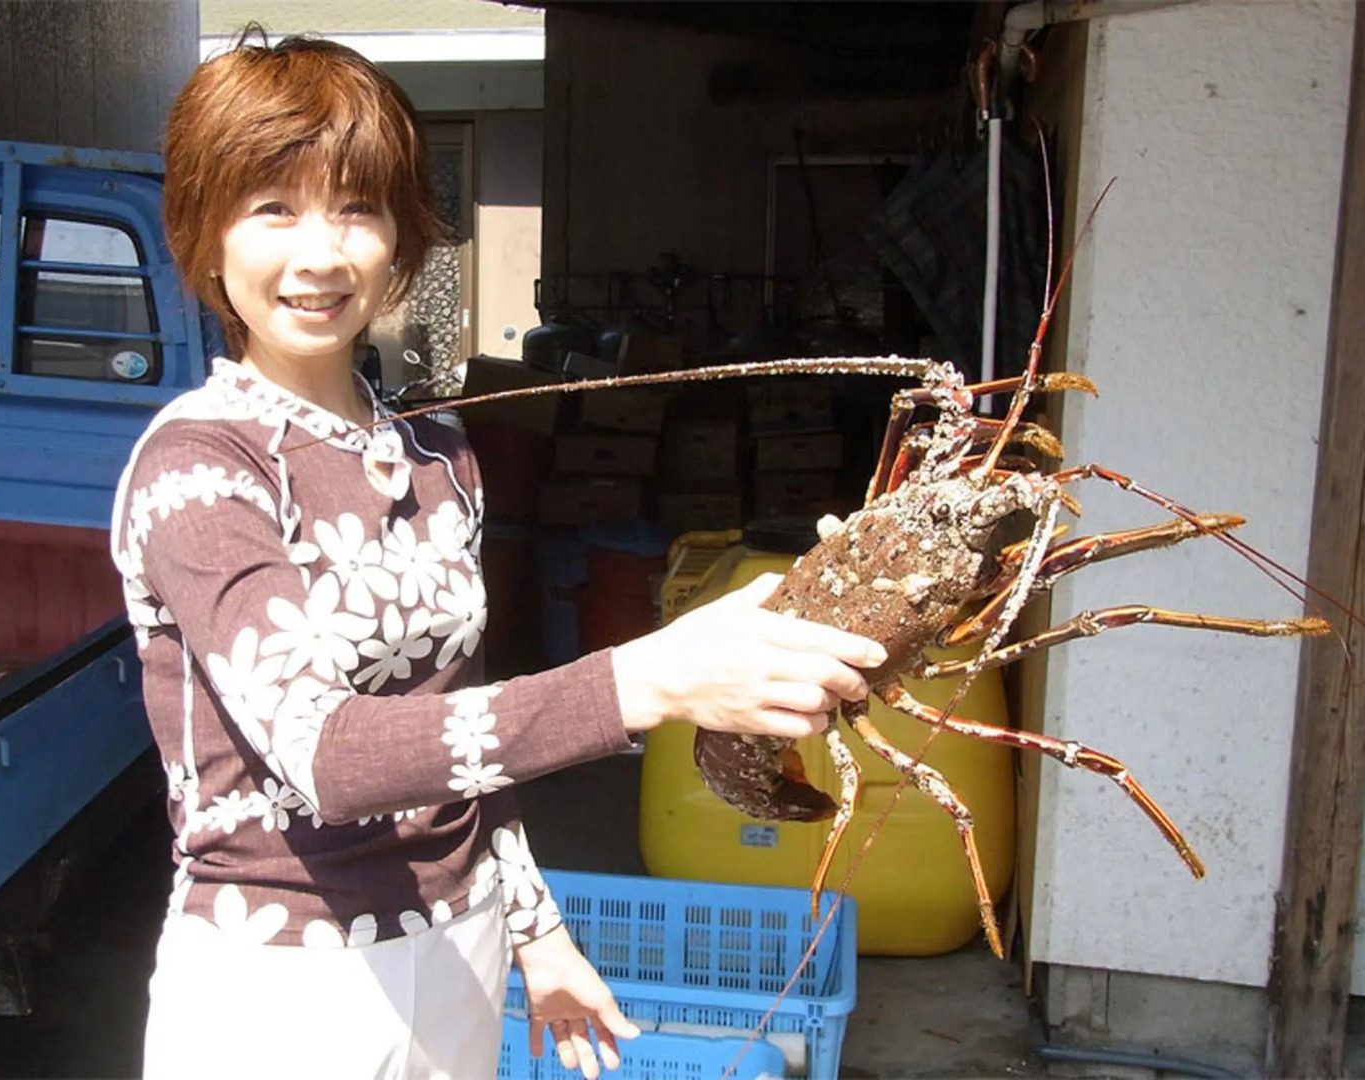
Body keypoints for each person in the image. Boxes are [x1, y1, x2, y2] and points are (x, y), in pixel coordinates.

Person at [111, 31, 886, 1080]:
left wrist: (538, 932)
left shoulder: (437, 450)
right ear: (204, 236)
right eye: (271, 209)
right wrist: (644, 677)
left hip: (464, 947)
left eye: (357, 207)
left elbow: (462, 726)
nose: (321, 252)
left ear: (401, 235)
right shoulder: (201, 468)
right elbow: (327, 756)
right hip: (283, 976)